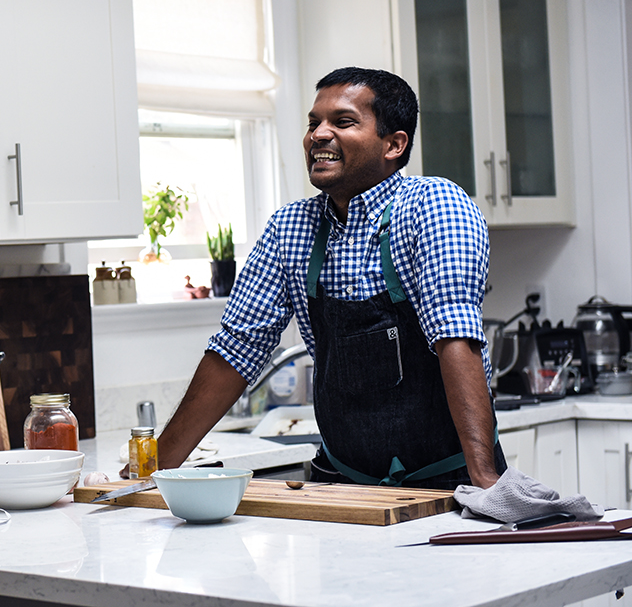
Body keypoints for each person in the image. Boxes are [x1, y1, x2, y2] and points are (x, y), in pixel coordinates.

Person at [153, 67, 506, 490]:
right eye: (313, 123)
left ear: (394, 144)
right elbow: (235, 351)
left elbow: (455, 335)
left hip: (448, 479)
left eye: (343, 121)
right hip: (342, 481)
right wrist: (153, 469)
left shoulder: (433, 204)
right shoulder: (290, 228)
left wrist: (484, 476)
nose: (318, 135)